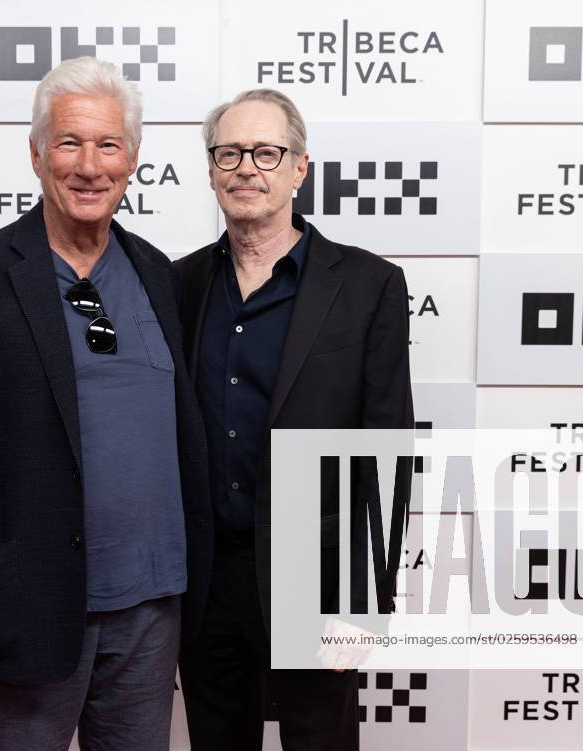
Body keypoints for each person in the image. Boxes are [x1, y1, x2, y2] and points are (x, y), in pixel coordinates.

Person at [0, 56, 211, 751]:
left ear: (133, 159)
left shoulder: (160, 274)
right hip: (27, 609)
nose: (89, 165)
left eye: (108, 145)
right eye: (69, 142)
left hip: (152, 612)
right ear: (36, 154)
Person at [174, 89, 414, 750]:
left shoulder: (368, 286)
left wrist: (364, 599)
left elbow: (387, 449)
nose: (246, 167)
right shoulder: (178, 284)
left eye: (266, 152)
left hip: (317, 575)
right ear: (212, 168)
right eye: (229, 153)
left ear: (299, 168)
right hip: (206, 583)